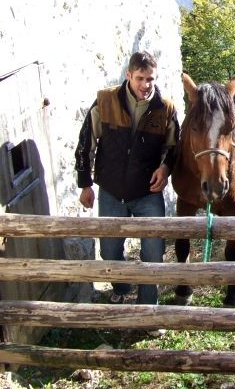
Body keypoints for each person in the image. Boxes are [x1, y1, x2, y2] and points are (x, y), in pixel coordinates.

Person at [75, 50, 179, 307]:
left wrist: (165, 169)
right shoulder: (105, 100)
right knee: (109, 250)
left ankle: (148, 307)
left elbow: (174, 147)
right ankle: (121, 286)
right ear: (129, 75)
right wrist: (85, 184)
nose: (146, 85)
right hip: (111, 190)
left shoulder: (165, 109)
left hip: (148, 192)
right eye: (141, 78)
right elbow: (85, 142)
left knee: (153, 252)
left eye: (151, 79)